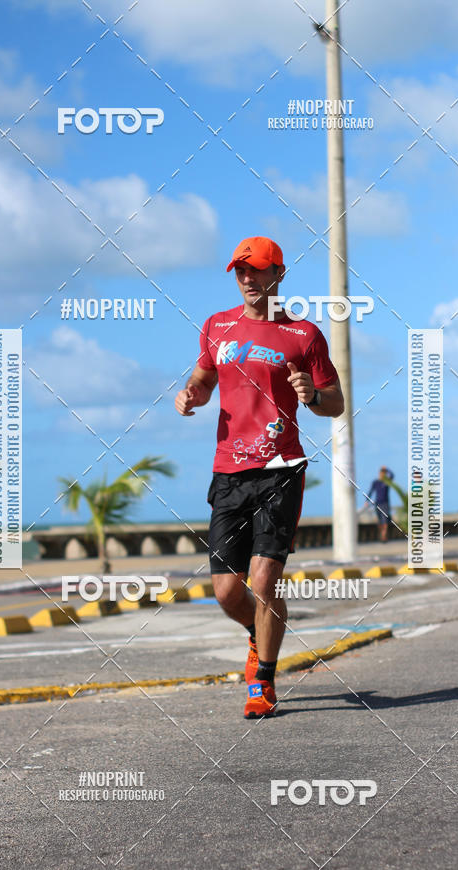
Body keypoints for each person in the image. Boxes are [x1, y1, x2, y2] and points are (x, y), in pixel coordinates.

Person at [174, 236, 344, 719]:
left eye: (257, 270)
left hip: (281, 470)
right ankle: (261, 633)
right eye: (240, 271)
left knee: (264, 580)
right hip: (228, 471)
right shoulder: (217, 327)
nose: (247, 279)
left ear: (279, 275)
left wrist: (311, 395)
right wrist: (189, 395)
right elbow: (203, 379)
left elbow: (336, 404)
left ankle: (262, 683)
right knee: (227, 591)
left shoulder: (304, 336)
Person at [362, 466, 394, 542]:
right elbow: (371, 491)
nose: (383, 474)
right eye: (382, 473)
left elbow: (392, 475)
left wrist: (387, 469)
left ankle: (384, 537)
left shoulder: (387, 482)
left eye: (384, 473)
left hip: (385, 504)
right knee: (380, 522)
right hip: (377, 504)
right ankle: (381, 534)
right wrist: (367, 500)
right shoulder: (375, 482)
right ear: (379, 473)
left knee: (385, 521)